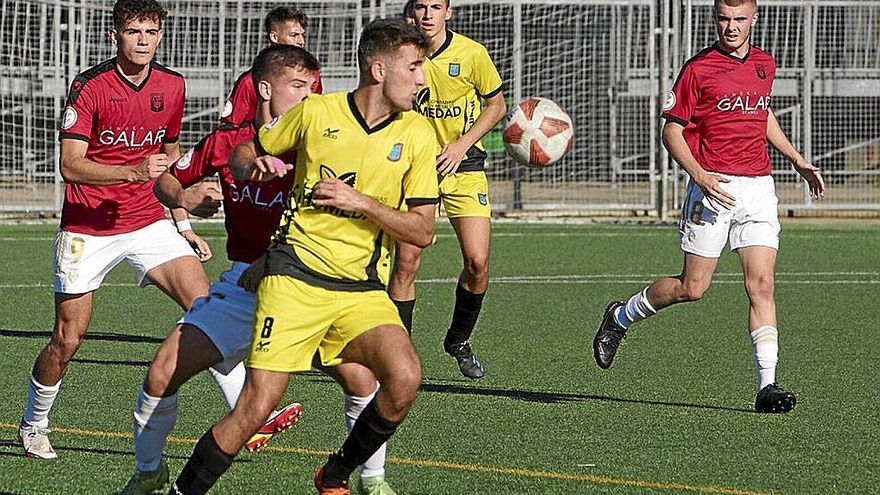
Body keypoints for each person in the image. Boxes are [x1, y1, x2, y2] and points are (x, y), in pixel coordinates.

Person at [166, 18, 439, 495]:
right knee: (256, 405)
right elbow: (244, 151)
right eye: (414, 67)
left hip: (360, 290)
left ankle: (335, 474)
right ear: (378, 69)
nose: (421, 79)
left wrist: (364, 204)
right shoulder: (318, 113)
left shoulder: (418, 133)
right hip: (294, 278)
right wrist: (254, 164)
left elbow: (423, 229)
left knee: (405, 378)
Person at [592, 0, 825, 413]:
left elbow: (761, 111)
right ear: (715, 19)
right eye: (723, 19)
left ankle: (767, 386)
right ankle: (621, 316)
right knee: (692, 288)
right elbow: (671, 131)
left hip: (758, 189)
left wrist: (796, 158)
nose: (731, 27)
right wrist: (700, 177)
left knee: (762, 285)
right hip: (712, 186)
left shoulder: (764, 64)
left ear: (754, 18)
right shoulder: (698, 69)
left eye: (739, 19)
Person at [117, 44, 319, 495]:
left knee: (373, 378)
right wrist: (187, 200)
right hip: (246, 283)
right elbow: (168, 180)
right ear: (265, 89)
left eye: (313, 87)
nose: (310, 97)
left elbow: (332, 220)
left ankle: (365, 478)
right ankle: (150, 471)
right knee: (161, 372)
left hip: (311, 281)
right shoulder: (229, 142)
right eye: (299, 87)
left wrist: (274, 259)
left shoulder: (320, 144)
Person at [17, 0, 213, 460]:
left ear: (161, 35)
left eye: (151, 31)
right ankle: (34, 423)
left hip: (148, 220)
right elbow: (70, 166)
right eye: (133, 32)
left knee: (206, 309)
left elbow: (168, 158)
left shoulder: (173, 85)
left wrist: (181, 217)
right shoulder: (89, 87)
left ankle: (252, 416)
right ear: (114, 36)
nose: (143, 40)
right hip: (89, 227)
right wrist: (131, 171)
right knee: (68, 338)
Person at [390, 0, 506, 379]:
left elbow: (497, 106)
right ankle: (399, 356)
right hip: (415, 171)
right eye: (421, 7)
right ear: (411, 13)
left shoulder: (472, 54)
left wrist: (460, 145)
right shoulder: (401, 56)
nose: (428, 14)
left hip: (464, 167)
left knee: (477, 263)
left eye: (435, 6)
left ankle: (458, 340)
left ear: (448, 12)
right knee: (406, 264)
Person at [220, 5, 323, 129]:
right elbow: (230, 128)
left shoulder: (312, 76)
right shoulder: (249, 81)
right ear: (274, 37)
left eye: (303, 35)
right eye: (294, 35)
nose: (301, 41)